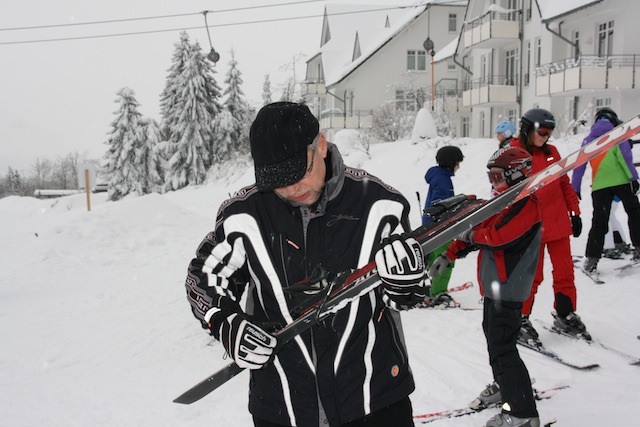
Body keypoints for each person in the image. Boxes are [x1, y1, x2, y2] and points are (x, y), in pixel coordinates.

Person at [183, 102, 427, 427]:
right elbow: (203, 276)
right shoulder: (244, 215)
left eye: (299, 173)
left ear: (320, 145)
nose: (291, 188)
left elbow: (408, 294)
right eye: (276, 180)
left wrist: (407, 284)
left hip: (375, 401)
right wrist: (223, 321)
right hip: (282, 408)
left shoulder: (380, 204)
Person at [429, 147, 543, 427]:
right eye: (490, 177)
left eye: (497, 177)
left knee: (503, 346)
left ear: (517, 174)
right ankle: (507, 386)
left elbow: (497, 236)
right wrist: (450, 253)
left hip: (510, 287)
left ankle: (522, 413)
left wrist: (469, 234)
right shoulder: (505, 201)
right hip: (496, 287)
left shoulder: (526, 203)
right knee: (496, 342)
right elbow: (481, 227)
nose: (493, 182)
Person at [509, 108, 588, 342]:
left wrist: (575, 213)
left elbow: (563, 183)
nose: (546, 137)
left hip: (557, 223)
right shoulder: (513, 153)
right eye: (542, 131)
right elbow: (503, 191)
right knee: (531, 276)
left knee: (565, 272)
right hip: (531, 226)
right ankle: (520, 318)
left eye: (549, 132)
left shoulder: (551, 152)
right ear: (527, 129)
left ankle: (565, 313)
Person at [571, 107, 640, 273]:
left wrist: (575, 188)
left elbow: (579, 166)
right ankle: (639, 249)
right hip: (622, 182)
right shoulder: (617, 134)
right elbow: (625, 157)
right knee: (634, 214)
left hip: (600, 186)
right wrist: (633, 178)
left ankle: (592, 260)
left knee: (599, 222)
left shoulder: (588, 140)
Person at [420, 146, 464, 307]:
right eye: (458, 163)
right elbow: (439, 204)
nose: (458, 167)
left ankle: (430, 289)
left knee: (433, 258)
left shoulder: (438, 176)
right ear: (450, 163)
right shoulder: (443, 179)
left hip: (432, 226)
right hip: (440, 227)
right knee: (445, 258)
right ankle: (437, 293)